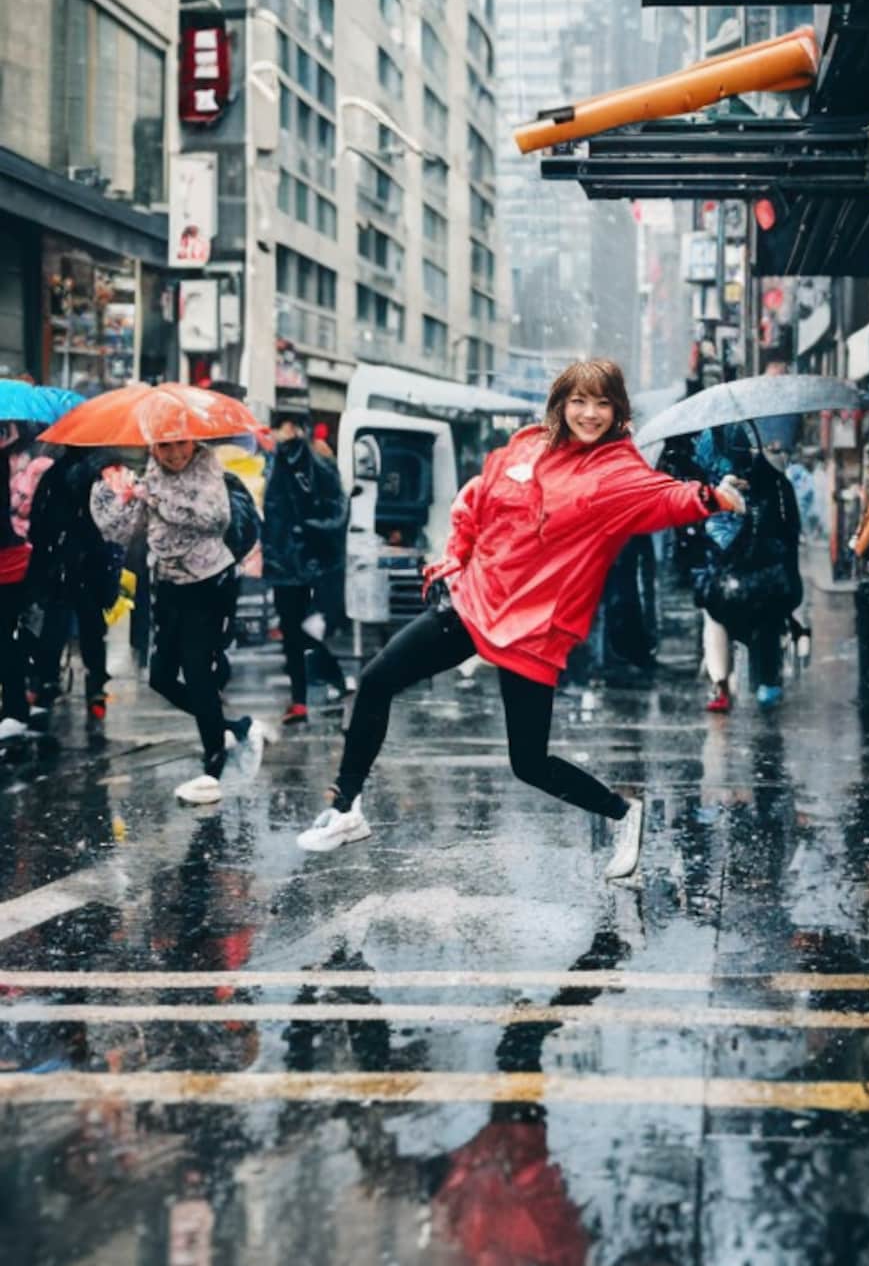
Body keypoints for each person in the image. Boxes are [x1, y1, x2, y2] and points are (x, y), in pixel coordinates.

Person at [296, 359, 746, 878]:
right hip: (475, 599)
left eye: (603, 403)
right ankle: (346, 807)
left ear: (618, 411)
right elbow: (476, 498)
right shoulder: (527, 445)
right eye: (579, 401)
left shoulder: (616, 470)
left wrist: (712, 498)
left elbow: (664, 498)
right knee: (376, 679)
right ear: (561, 403)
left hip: (533, 628)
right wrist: (455, 556)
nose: (590, 414)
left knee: (529, 763)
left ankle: (623, 813)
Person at [91, 416, 264, 803]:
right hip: (169, 585)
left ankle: (213, 766)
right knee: (161, 678)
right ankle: (233, 727)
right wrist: (118, 497)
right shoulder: (152, 475)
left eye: (181, 443)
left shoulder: (206, 467)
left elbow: (214, 517)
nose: (174, 454)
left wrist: (155, 497)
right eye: (165, 445)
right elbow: (121, 532)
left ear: (193, 441)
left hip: (209, 582)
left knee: (198, 671)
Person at [696, 429, 802, 712]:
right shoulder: (715, 489)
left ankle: (742, 683)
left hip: (757, 575)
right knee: (721, 620)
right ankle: (735, 683)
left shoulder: (771, 484)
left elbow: (786, 531)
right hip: (735, 575)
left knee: (747, 621)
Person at [262, 411, 347, 725]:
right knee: (296, 631)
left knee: (297, 632)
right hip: (299, 565)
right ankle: (311, 692)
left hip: (300, 565)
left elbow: (334, 514)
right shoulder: (289, 465)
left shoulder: (308, 464)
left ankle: (307, 694)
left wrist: (303, 531)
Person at [24, 447, 119, 720]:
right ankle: (95, 685)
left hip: (62, 560)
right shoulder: (105, 473)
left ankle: (46, 681)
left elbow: (39, 521)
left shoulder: (55, 474)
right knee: (91, 625)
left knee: (57, 622)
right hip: (91, 562)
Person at [0, 422, 32, 741]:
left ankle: (15, 707)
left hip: (6, 564)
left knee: (4, 639)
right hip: (11, 560)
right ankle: (14, 706)